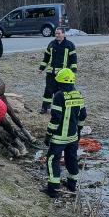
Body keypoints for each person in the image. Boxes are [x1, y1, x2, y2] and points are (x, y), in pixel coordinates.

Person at [41, 68, 87, 199]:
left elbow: (55, 118)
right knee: (71, 160)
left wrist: (48, 134)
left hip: (59, 138)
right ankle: (72, 185)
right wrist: (78, 131)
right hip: (72, 137)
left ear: (60, 83)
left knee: (52, 160)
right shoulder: (78, 94)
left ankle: (53, 189)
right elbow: (83, 115)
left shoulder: (59, 96)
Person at [38, 27, 77, 114]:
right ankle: (45, 107)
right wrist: (41, 68)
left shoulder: (69, 45)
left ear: (63, 34)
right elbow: (46, 58)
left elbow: (74, 59)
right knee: (48, 90)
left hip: (63, 75)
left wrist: (73, 70)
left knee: (60, 92)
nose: (57, 35)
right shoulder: (51, 44)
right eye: (56, 33)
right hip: (51, 73)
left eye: (59, 33)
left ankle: (59, 108)